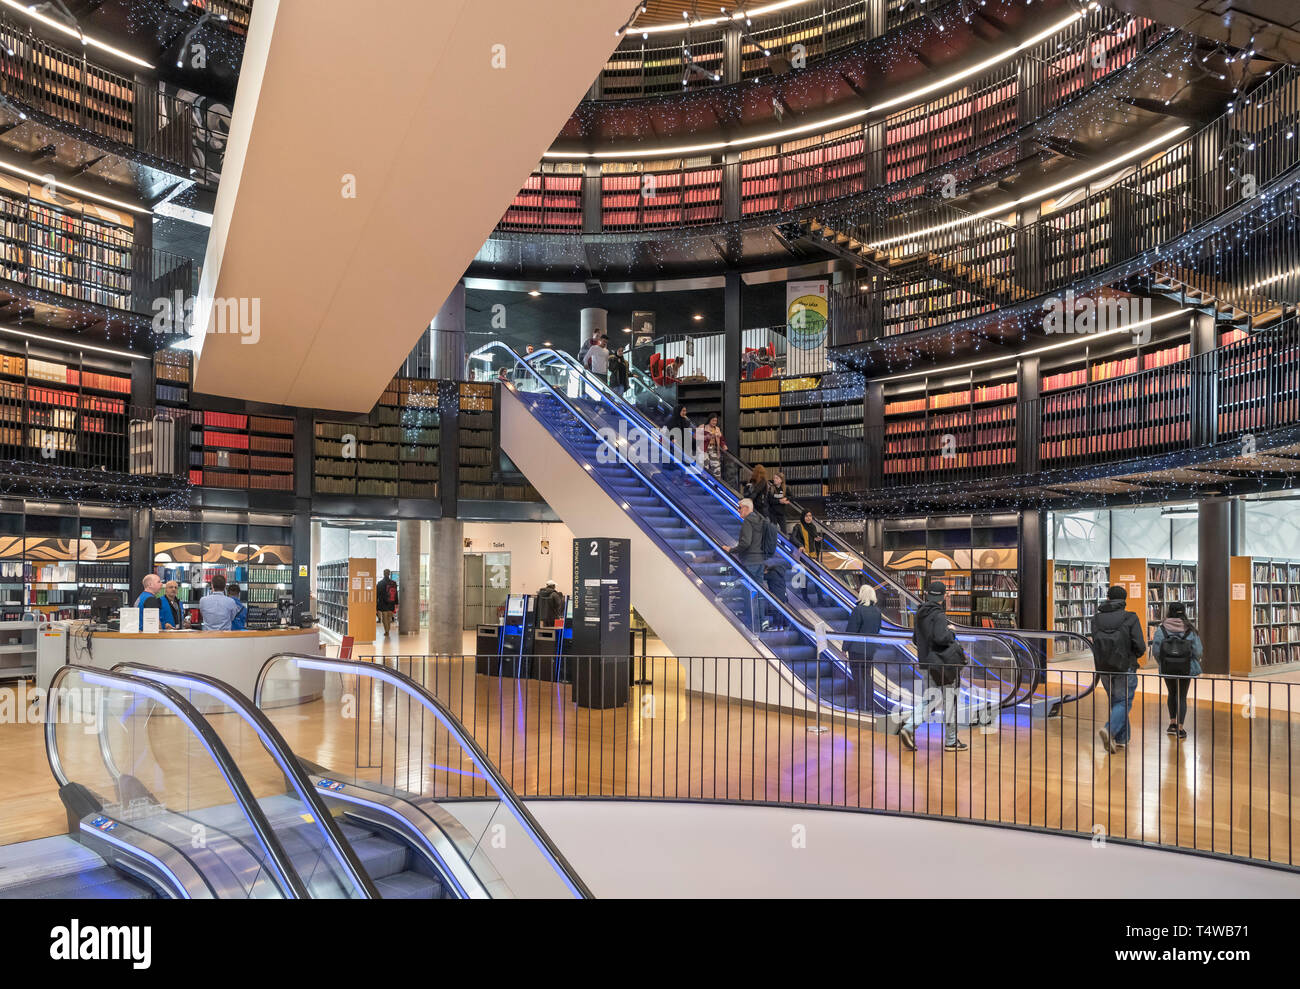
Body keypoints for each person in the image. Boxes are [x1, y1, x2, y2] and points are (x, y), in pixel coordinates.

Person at [899, 580, 967, 752]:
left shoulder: (920, 613)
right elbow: (941, 638)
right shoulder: (939, 615)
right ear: (943, 597)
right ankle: (951, 741)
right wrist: (951, 631)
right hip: (943, 664)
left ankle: (908, 727)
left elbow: (915, 639)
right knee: (950, 700)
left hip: (926, 663)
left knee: (929, 699)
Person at [1091, 585, 1147, 753]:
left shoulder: (1096, 618)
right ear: (1124, 600)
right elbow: (1140, 645)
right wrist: (1134, 657)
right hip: (1125, 666)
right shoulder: (1130, 617)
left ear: (1108, 598)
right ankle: (1110, 730)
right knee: (1123, 702)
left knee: (1117, 702)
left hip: (1104, 667)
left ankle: (1122, 739)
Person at [1152, 601, 1203, 740]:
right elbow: (1198, 651)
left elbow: (1156, 650)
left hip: (1168, 668)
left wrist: (1163, 663)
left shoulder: (1161, 629)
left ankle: (1172, 724)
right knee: (1182, 696)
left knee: (1171, 693)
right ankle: (1181, 728)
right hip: (1186, 669)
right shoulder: (1190, 629)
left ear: (1169, 611)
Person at [723, 498, 769, 632]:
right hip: (759, 561)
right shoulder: (760, 521)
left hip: (750, 563)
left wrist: (731, 550)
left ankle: (752, 625)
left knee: (748, 594)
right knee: (759, 594)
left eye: (740, 507)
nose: (738, 510)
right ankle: (761, 624)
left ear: (747, 508)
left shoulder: (748, 521)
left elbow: (746, 543)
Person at [845, 584, 883, 708]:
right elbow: (877, 629)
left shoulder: (858, 610)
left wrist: (845, 647)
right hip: (870, 649)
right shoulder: (877, 611)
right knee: (867, 675)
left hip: (856, 649)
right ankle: (869, 703)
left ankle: (860, 703)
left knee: (857, 677)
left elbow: (851, 630)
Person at [793, 510, 825, 606]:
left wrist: (817, 539)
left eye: (810, 516)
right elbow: (792, 538)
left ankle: (820, 599)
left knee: (817, 579)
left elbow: (813, 539)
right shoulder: (798, 526)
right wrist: (800, 545)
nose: (808, 518)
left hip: (813, 557)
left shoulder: (813, 527)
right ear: (803, 517)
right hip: (804, 556)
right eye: (806, 516)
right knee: (804, 579)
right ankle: (805, 598)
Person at [696, 413, 726, 479]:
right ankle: (705, 483)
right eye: (713, 420)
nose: (714, 422)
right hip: (703, 449)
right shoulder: (702, 426)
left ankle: (717, 485)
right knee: (705, 466)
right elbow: (695, 436)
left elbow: (721, 439)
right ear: (709, 420)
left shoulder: (717, 429)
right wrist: (706, 437)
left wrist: (723, 445)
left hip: (713, 449)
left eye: (716, 421)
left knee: (717, 468)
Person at [376, 569, 399, 636]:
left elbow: (377, 594)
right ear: (389, 574)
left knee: (384, 618)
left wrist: (376, 603)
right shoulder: (393, 583)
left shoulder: (380, 583)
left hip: (383, 603)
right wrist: (396, 602)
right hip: (391, 602)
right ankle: (387, 630)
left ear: (384, 574)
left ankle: (387, 631)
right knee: (389, 617)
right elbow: (395, 594)